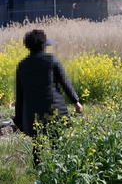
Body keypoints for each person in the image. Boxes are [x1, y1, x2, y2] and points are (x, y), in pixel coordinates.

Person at [12, 29, 83, 165]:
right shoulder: (51, 60)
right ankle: (57, 173)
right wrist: (76, 102)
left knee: (37, 146)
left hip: (33, 113)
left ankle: (39, 175)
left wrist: (19, 117)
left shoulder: (22, 66)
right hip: (54, 110)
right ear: (43, 45)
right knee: (56, 143)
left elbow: (19, 95)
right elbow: (64, 82)